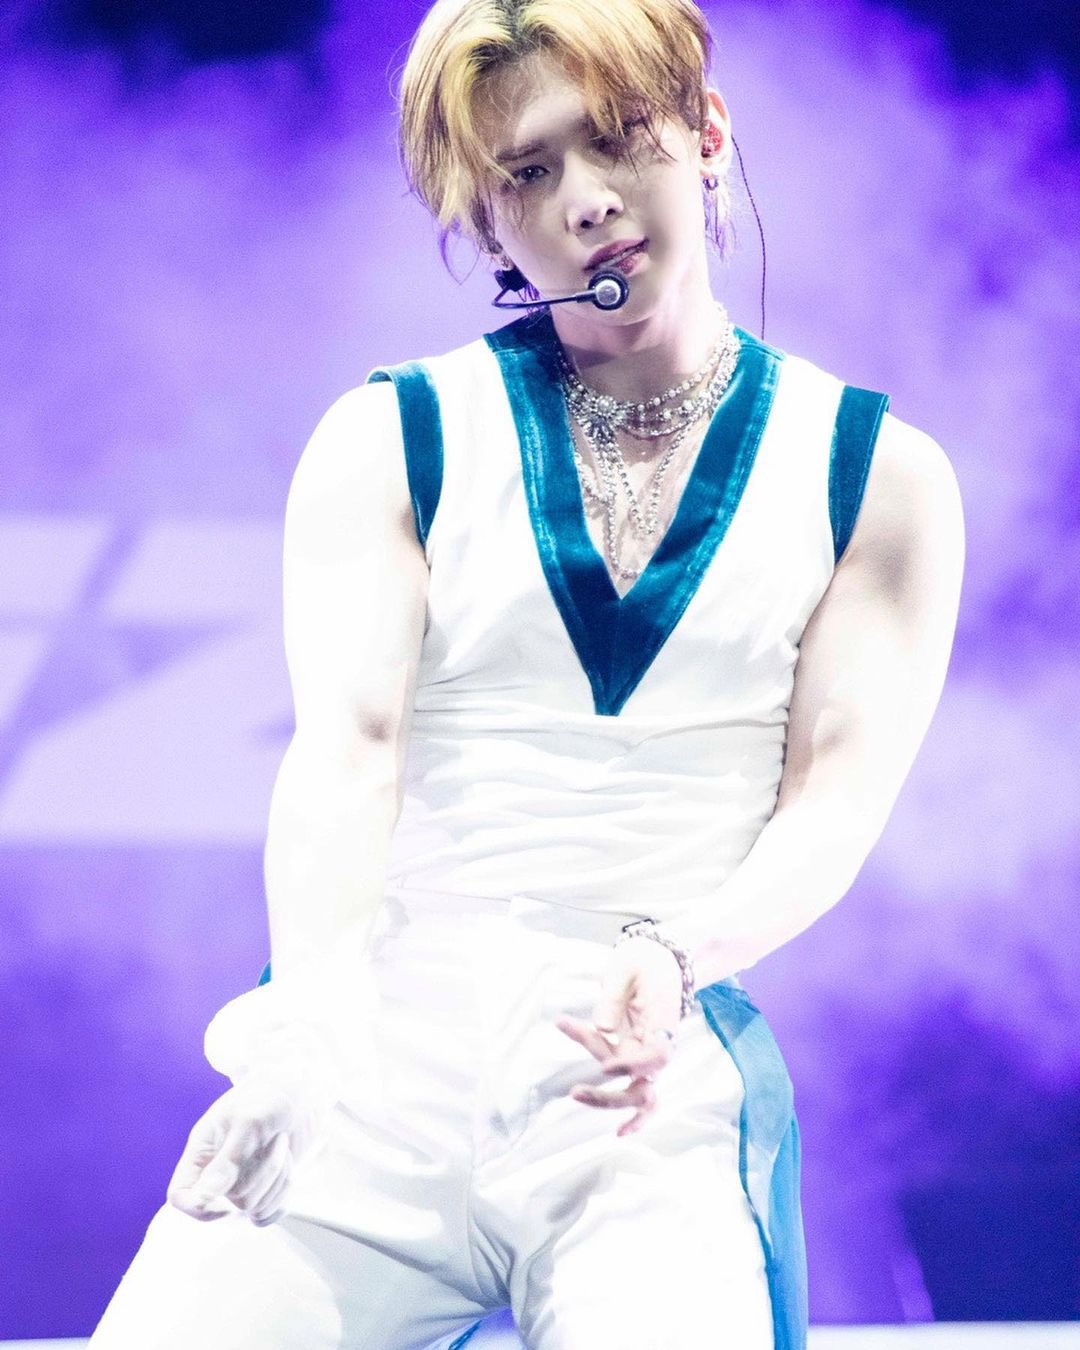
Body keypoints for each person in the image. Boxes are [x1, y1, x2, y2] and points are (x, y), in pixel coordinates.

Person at [89, 1, 964, 1347]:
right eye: (530, 172)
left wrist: (677, 956)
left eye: (614, 138)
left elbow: (835, 804)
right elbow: (347, 755)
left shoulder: (879, 478)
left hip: (643, 1081)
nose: (586, 200)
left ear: (706, 131)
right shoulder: (393, 435)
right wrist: (302, 1034)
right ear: (488, 224)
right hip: (372, 1067)